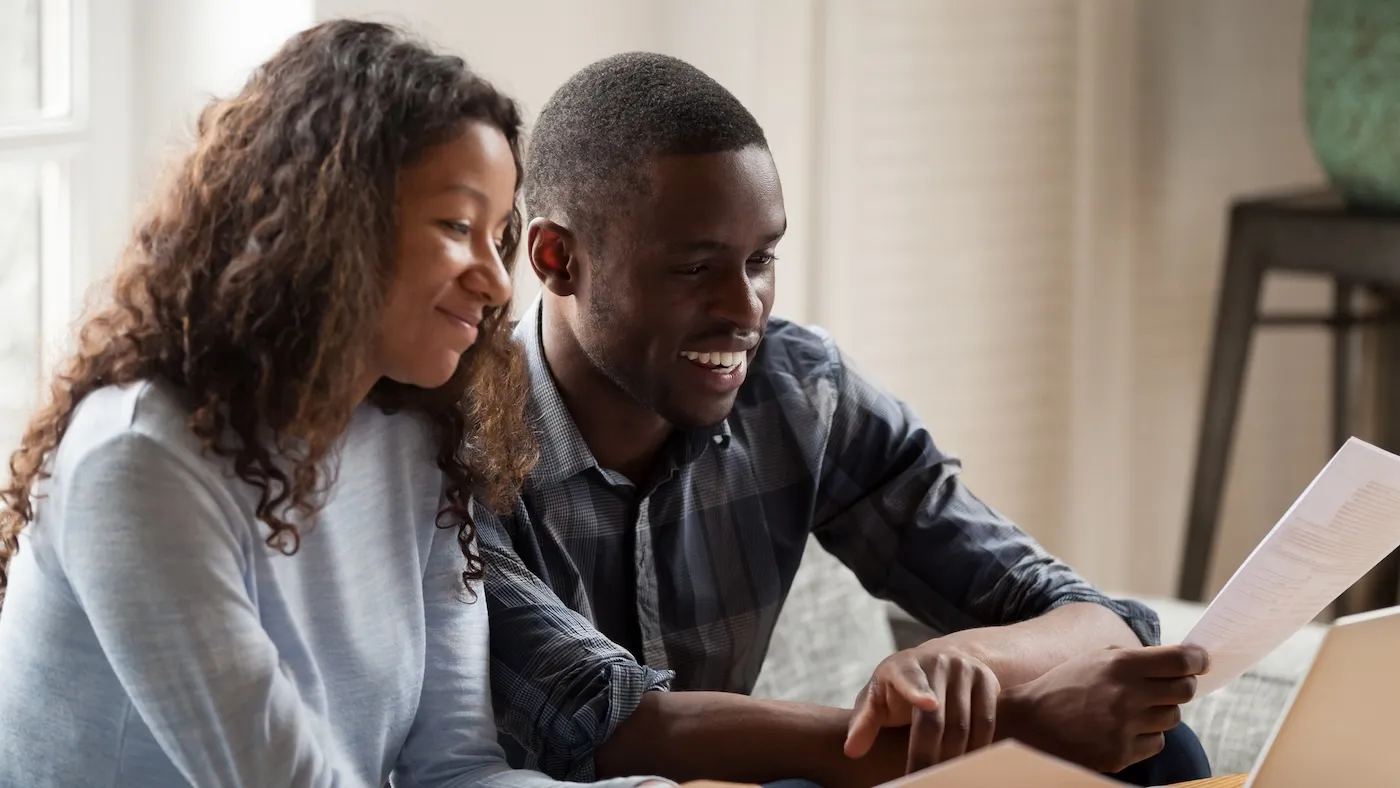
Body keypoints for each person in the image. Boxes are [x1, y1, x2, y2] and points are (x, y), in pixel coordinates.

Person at [478, 51, 1213, 788]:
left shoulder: (797, 391)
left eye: (761, 260)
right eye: (696, 268)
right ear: (557, 258)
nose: (744, 310)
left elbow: (1097, 619)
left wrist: (967, 659)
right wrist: (1016, 732)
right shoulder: (460, 451)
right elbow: (617, 730)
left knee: (1159, 747)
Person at [0, 21, 666, 788]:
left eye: (498, 236)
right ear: (334, 220)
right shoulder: (136, 461)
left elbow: (453, 770)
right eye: (457, 226)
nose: (494, 281)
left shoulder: (414, 439)